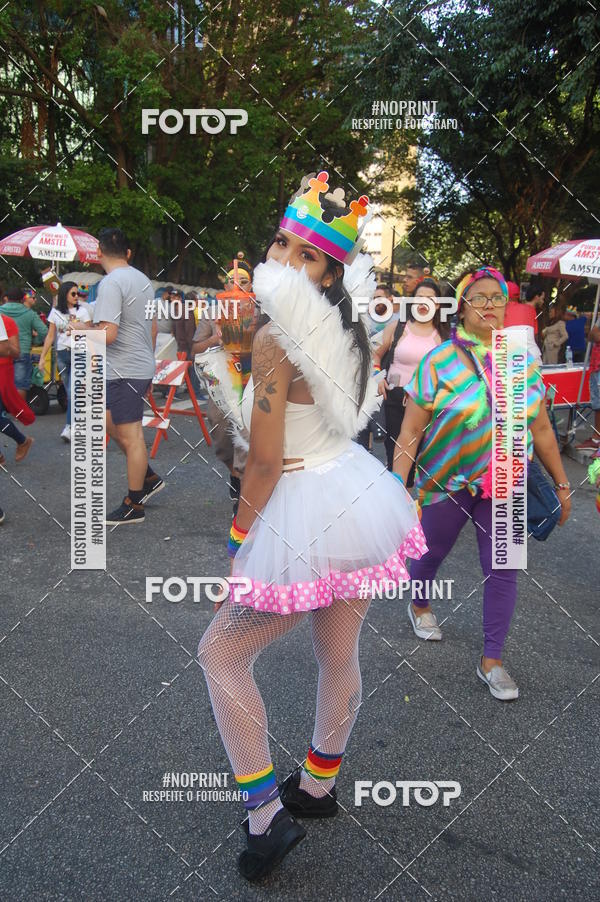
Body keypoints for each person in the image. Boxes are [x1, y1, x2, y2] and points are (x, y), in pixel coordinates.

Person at [197, 171, 426, 882]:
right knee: (336, 649)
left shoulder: (276, 337)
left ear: (329, 273)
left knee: (221, 653)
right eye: (281, 244)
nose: (287, 260)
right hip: (356, 499)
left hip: (300, 506)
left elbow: (262, 460)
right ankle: (319, 784)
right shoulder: (350, 329)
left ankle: (265, 817)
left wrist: (239, 546)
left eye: (307, 255)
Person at [395, 266, 571, 701]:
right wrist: (397, 486)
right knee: (431, 551)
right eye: (480, 297)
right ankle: (419, 603)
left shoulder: (520, 362)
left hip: (506, 481)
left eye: (497, 298)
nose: (490, 304)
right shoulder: (441, 360)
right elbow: (411, 430)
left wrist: (564, 485)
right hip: (446, 479)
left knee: (503, 570)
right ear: (463, 306)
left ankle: (491, 660)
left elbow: (543, 429)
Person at [71, 227, 163, 525]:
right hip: (132, 367)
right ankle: (147, 476)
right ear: (128, 253)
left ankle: (134, 504)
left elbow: (107, 335)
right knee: (109, 422)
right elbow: (152, 327)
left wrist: (80, 331)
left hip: (125, 370)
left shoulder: (111, 283)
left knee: (132, 436)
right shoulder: (143, 281)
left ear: (98, 252)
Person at [374, 277, 448, 471]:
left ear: (438, 304)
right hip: (394, 397)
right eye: (420, 297)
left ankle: (406, 496)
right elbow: (374, 353)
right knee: (393, 454)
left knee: (415, 458)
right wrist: (377, 376)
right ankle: (396, 495)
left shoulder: (444, 336)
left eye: (430, 299)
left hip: (426, 403)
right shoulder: (398, 327)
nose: (424, 303)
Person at [38, 280, 91, 442]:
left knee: (73, 392)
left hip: (79, 353)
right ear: (64, 295)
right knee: (70, 392)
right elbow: (50, 335)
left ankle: (70, 427)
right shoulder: (55, 312)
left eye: (78, 294)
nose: (77, 297)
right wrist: (42, 358)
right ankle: (78, 424)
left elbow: (91, 332)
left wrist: (80, 329)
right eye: (73, 294)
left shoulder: (83, 311)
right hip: (62, 354)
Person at [0, 310, 35, 465]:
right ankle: (21, 441)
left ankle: (22, 441)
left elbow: (13, 351)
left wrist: (5, 346)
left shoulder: (6, 321)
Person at [1, 286, 48, 399]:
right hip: (22, 351)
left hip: (2, 351)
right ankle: (18, 414)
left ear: (6, 298)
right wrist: (35, 341)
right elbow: (44, 331)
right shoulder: (29, 313)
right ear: (22, 299)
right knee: (20, 385)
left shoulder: (1, 311)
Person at [503, 279, 541, 362]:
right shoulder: (529, 310)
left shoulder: (497, 313)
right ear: (518, 295)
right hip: (533, 357)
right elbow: (535, 336)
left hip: (508, 361)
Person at [577, 316, 600, 450]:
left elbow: (594, 335)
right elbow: (593, 335)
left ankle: (597, 439)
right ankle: (596, 438)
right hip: (596, 363)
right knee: (597, 403)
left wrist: (595, 332)